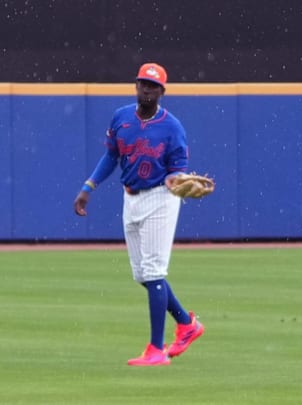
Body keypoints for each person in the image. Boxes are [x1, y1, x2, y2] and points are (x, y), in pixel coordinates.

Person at [73, 62, 204, 366]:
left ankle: (156, 350)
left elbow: (178, 168)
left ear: (162, 92)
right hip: (130, 197)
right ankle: (187, 324)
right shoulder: (121, 117)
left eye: (153, 86)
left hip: (160, 197)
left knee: (154, 271)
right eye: (143, 83)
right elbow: (111, 155)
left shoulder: (173, 127)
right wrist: (88, 186)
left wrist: (177, 179)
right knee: (142, 275)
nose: (146, 89)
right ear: (136, 86)